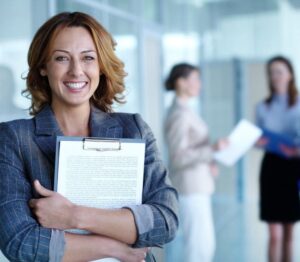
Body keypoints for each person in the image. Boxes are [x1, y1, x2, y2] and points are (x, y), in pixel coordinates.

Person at [0, 12, 178, 262]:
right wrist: (115, 247)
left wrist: (73, 216)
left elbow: (165, 220)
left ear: (101, 66)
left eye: (88, 58)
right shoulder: (14, 138)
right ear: (43, 67)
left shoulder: (133, 129)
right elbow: (19, 242)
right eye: (61, 58)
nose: (76, 71)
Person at [164, 63, 228, 262]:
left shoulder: (186, 110)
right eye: (195, 79)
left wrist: (210, 160)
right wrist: (212, 150)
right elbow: (178, 157)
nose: (199, 84)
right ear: (181, 82)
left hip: (199, 185)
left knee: (205, 246)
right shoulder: (179, 114)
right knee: (198, 249)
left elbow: (193, 149)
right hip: (190, 188)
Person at [256, 56, 300, 262]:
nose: (275, 77)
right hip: (272, 167)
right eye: (272, 72)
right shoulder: (262, 106)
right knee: (275, 236)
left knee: (289, 236)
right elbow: (257, 138)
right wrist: (261, 141)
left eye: (280, 72)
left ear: (290, 74)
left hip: (294, 168)